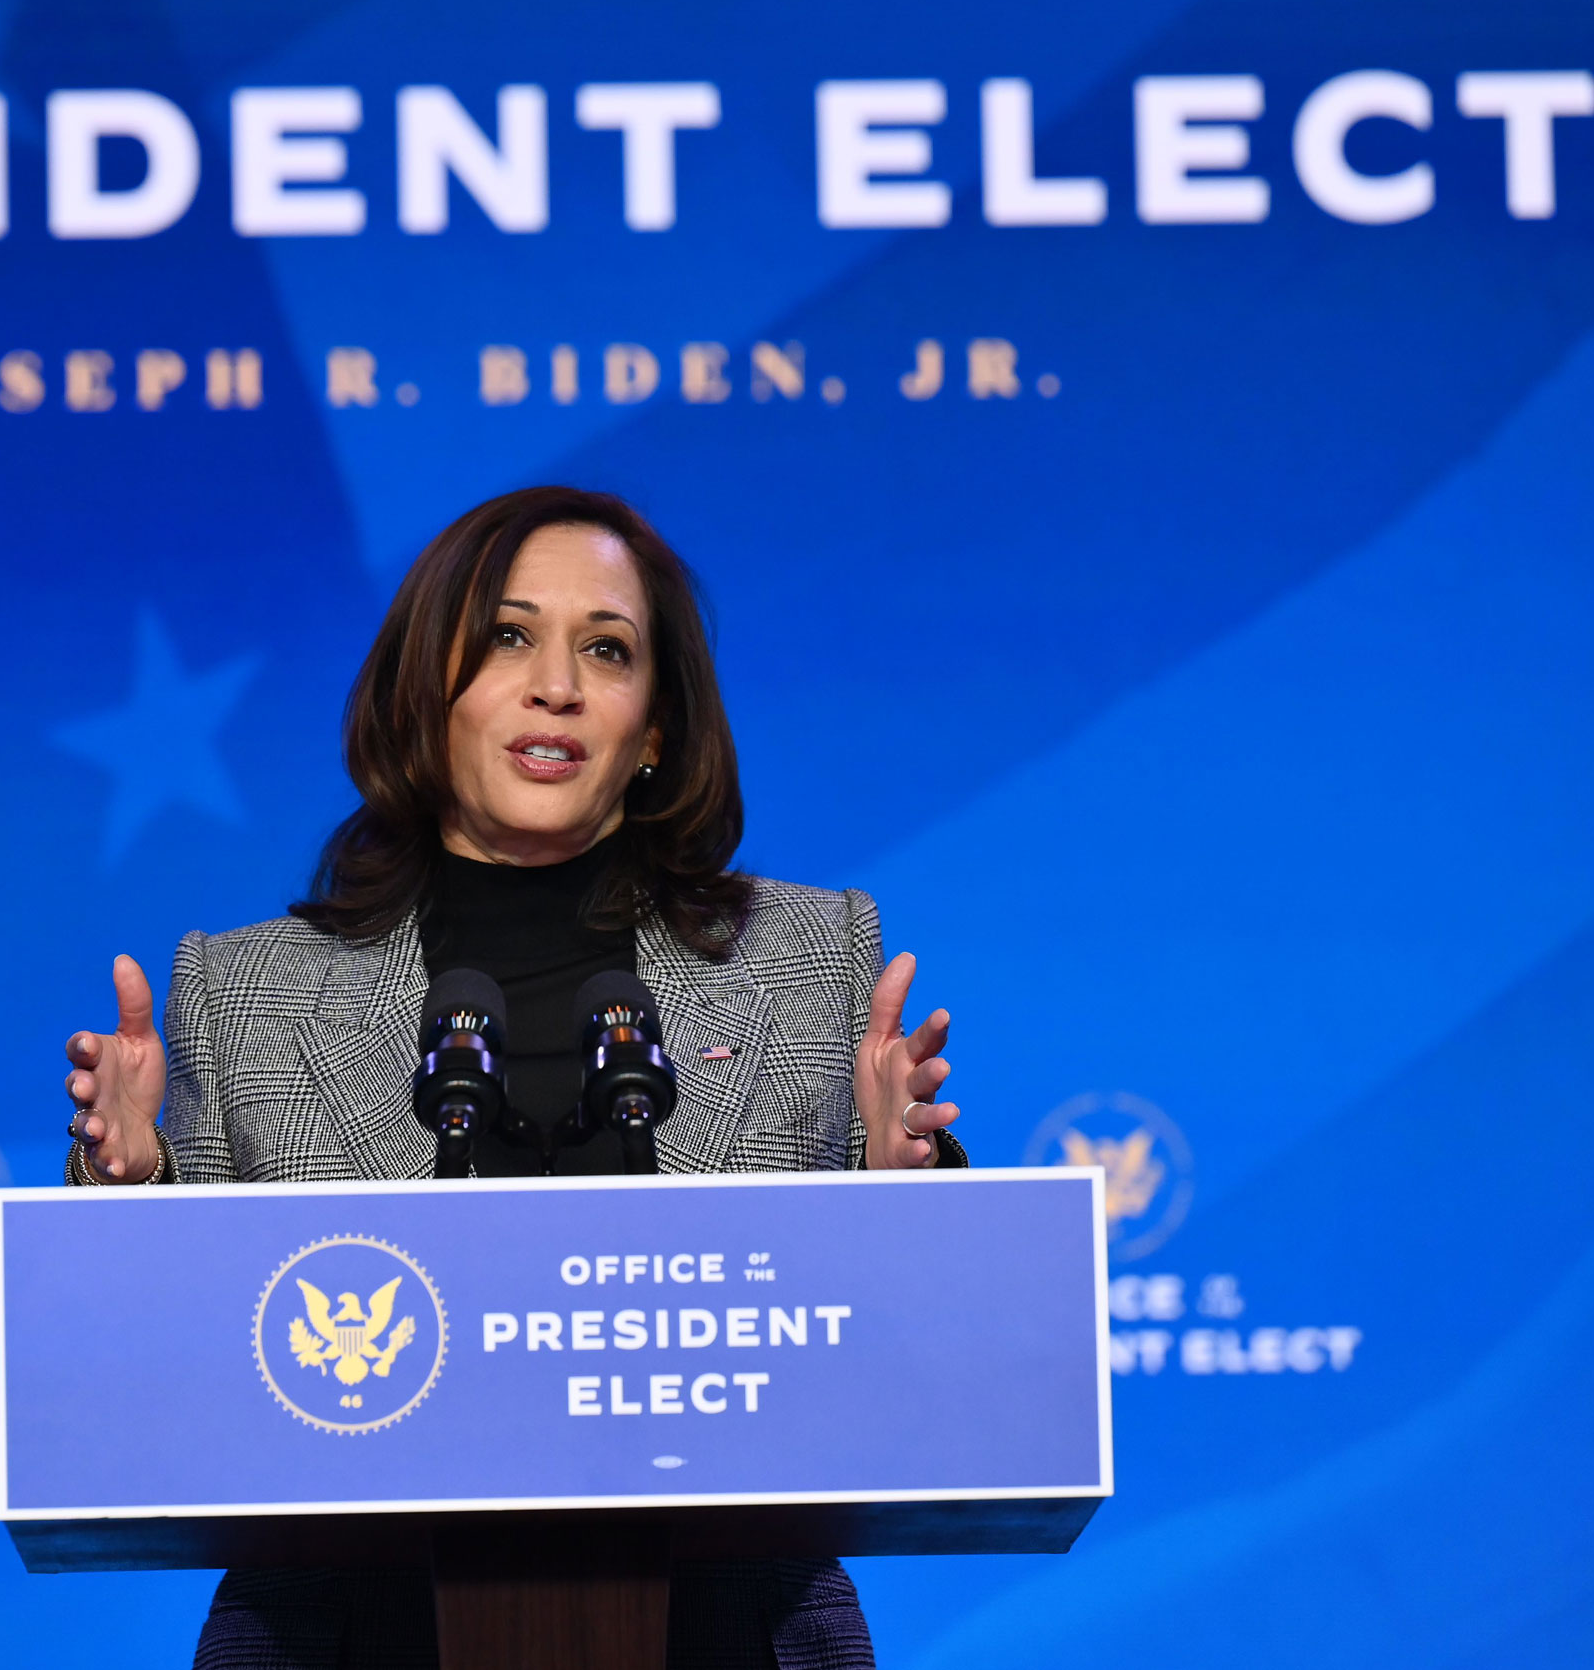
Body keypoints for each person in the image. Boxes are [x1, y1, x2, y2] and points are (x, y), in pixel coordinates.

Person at [62, 486, 965, 1670]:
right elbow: (167, 1378)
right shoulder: (247, 992)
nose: (558, 685)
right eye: (507, 636)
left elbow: (906, 1355)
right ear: (423, 691)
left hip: (730, 1630)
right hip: (343, 1637)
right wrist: (124, 1192)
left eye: (608, 649)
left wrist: (914, 1187)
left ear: (655, 729)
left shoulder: (801, 961)